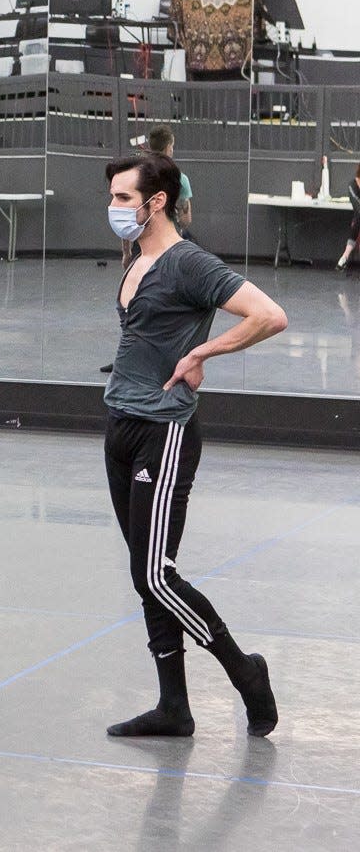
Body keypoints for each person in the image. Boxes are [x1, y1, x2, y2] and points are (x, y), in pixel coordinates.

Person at [101, 152, 286, 738]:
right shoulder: (136, 255)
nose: (113, 208)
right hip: (121, 424)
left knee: (156, 574)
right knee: (145, 571)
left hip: (166, 429)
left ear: (157, 202)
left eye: (123, 198)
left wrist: (204, 352)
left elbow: (269, 315)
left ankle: (244, 670)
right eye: (111, 196)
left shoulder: (188, 263)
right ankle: (173, 707)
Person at [103, 124, 194, 373]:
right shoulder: (178, 178)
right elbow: (186, 220)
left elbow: (128, 217)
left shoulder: (138, 175)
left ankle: (131, 355)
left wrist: (126, 252)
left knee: (131, 304)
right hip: (167, 246)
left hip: (141, 248)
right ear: (168, 147)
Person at [334, 163, 360, 271]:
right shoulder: (352, 184)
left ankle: (344, 257)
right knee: (359, 218)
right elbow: (357, 205)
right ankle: (345, 256)